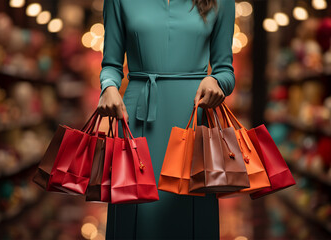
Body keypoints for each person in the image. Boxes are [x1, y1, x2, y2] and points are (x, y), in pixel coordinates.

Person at [97, 0, 236, 239]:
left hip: (193, 120)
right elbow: (111, 64)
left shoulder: (221, 1)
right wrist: (108, 86)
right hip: (137, 120)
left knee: (188, 217)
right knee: (135, 217)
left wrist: (216, 82)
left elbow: (225, 71)